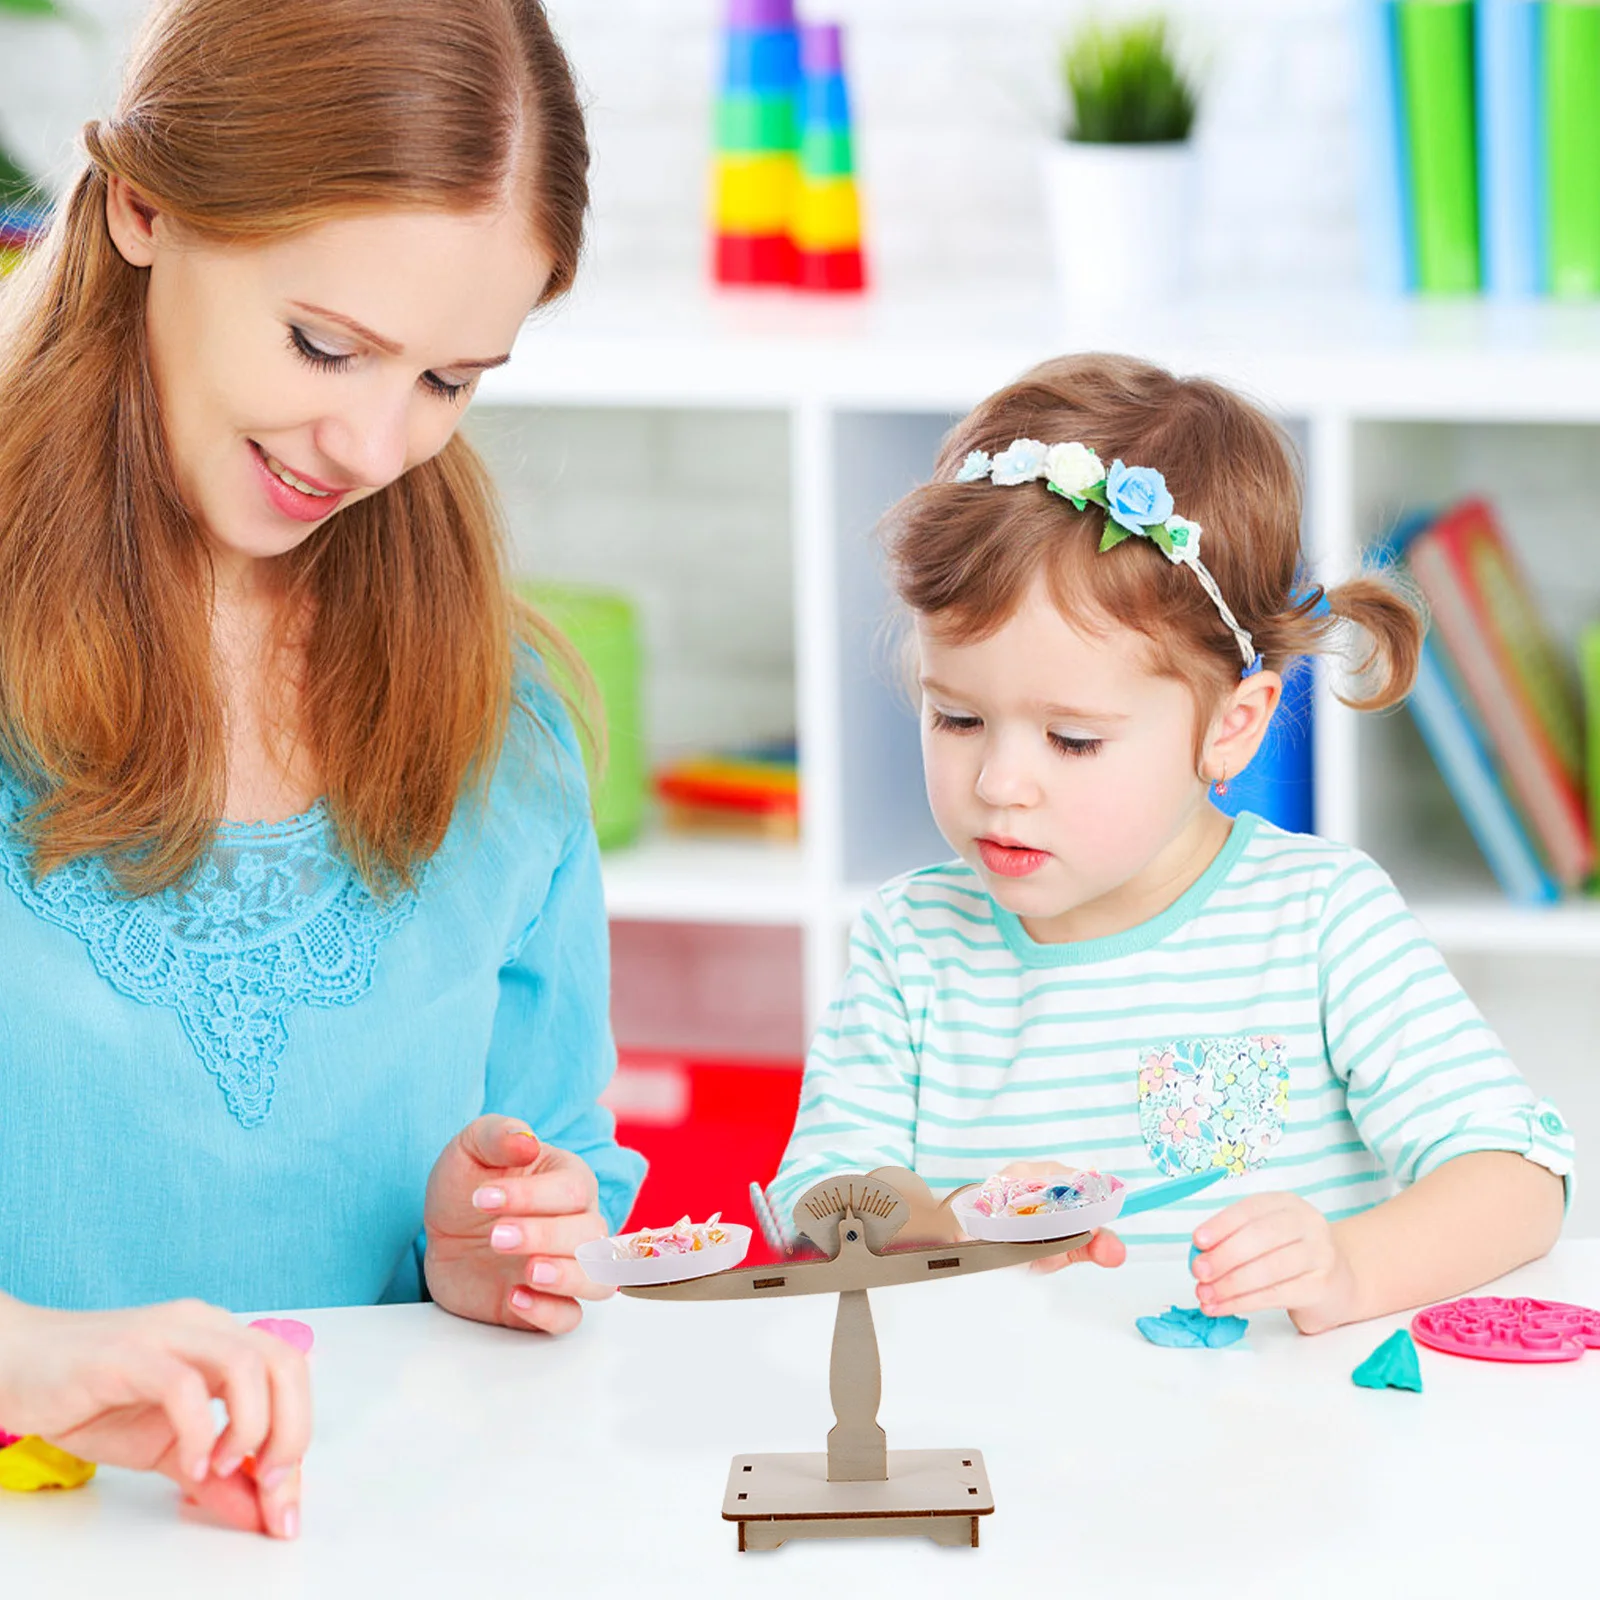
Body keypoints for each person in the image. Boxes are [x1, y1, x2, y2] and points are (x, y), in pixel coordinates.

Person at [0, 0, 644, 1540]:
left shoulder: (499, 723)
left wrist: (494, 1254)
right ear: (144, 204)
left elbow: (565, 1162)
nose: (371, 445)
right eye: (327, 345)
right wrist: (30, 1359)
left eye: (449, 380)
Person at [767, 353, 1572, 1333]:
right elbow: (819, 1206)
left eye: (1072, 739)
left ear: (1232, 726)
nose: (998, 783)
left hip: (1261, 1424)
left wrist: (1349, 1267)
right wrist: (956, 1222)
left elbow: (1518, 1180)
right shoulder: (912, 942)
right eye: (957, 719)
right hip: (998, 1420)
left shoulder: (1320, 922)